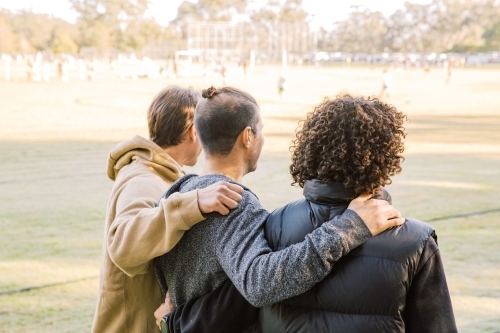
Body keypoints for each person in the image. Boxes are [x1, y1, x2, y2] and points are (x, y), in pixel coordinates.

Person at [155, 94, 457, 333]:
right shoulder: (415, 241)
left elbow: (234, 303)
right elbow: (255, 288)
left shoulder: (270, 225)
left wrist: (175, 322)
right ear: (387, 156)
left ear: (309, 148)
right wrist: (349, 227)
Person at [91, 86, 245, 333]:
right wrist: (192, 204)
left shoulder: (158, 175)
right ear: (194, 131)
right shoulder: (143, 178)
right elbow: (123, 245)